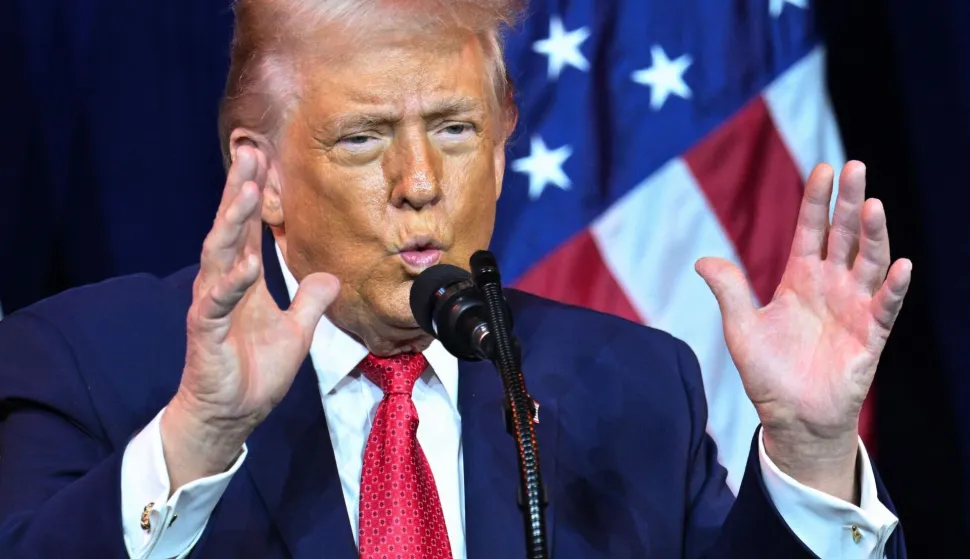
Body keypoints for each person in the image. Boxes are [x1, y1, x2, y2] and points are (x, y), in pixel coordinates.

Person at [0, 0, 911, 557]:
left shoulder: (634, 388)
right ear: (263, 173)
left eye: (455, 129)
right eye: (363, 137)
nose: (421, 182)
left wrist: (811, 453)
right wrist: (198, 438)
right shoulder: (86, 362)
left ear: (505, 141)